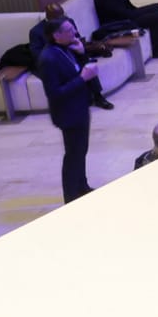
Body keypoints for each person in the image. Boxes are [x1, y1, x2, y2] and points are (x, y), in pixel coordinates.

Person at [35, 19, 98, 202]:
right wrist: (82, 79)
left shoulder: (66, 49)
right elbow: (54, 93)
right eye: (70, 30)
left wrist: (81, 53)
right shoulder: (49, 59)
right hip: (68, 114)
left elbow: (79, 69)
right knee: (73, 155)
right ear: (56, 35)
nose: (75, 33)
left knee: (81, 150)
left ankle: (82, 186)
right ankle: (70, 197)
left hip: (80, 108)